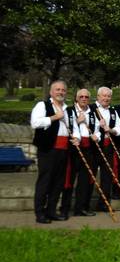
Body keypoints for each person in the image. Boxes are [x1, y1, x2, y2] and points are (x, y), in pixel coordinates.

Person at [31, 80, 73, 223]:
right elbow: (35, 123)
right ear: (51, 92)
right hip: (48, 149)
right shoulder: (42, 105)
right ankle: (40, 213)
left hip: (64, 149)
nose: (61, 92)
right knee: (45, 181)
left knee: (58, 182)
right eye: (57, 90)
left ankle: (51, 211)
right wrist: (55, 117)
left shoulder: (67, 108)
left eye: (63, 90)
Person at [60, 89, 98, 218]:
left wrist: (96, 136)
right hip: (73, 149)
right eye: (81, 96)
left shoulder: (92, 113)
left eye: (86, 97)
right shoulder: (69, 111)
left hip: (88, 150)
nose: (84, 98)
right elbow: (63, 127)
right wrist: (77, 121)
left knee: (84, 181)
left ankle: (80, 208)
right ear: (76, 98)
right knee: (68, 180)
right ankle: (64, 209)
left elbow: (97, 129)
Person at [93, 87, 120, 211]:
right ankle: (84, 205)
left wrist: (110, 130)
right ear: (98, 96)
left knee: (107, 175)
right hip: (94, 146)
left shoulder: (112, 111)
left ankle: (103, 204)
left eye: (108, 96)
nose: (106, 98)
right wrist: (98, 127)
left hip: (108, 146)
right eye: (103, 96)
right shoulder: (91, 109)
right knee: (90, 175)